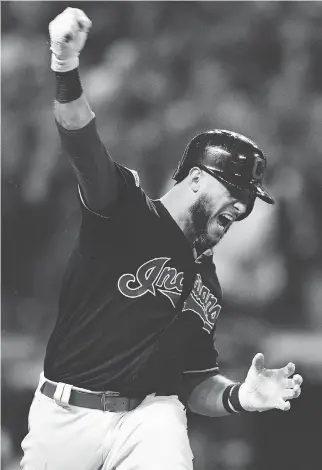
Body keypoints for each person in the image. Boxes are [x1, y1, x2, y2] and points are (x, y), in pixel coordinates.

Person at [21, 7, 303, 470]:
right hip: (66, 416)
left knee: (164, 417)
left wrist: (240, 397)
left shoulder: (208, 284)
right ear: (195, 179)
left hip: (150, 416)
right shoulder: (124, 210)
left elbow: (194, 383)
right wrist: (64, 66)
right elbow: (81, 141)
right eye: (235, 189)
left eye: (250, 197)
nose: (244, 206)